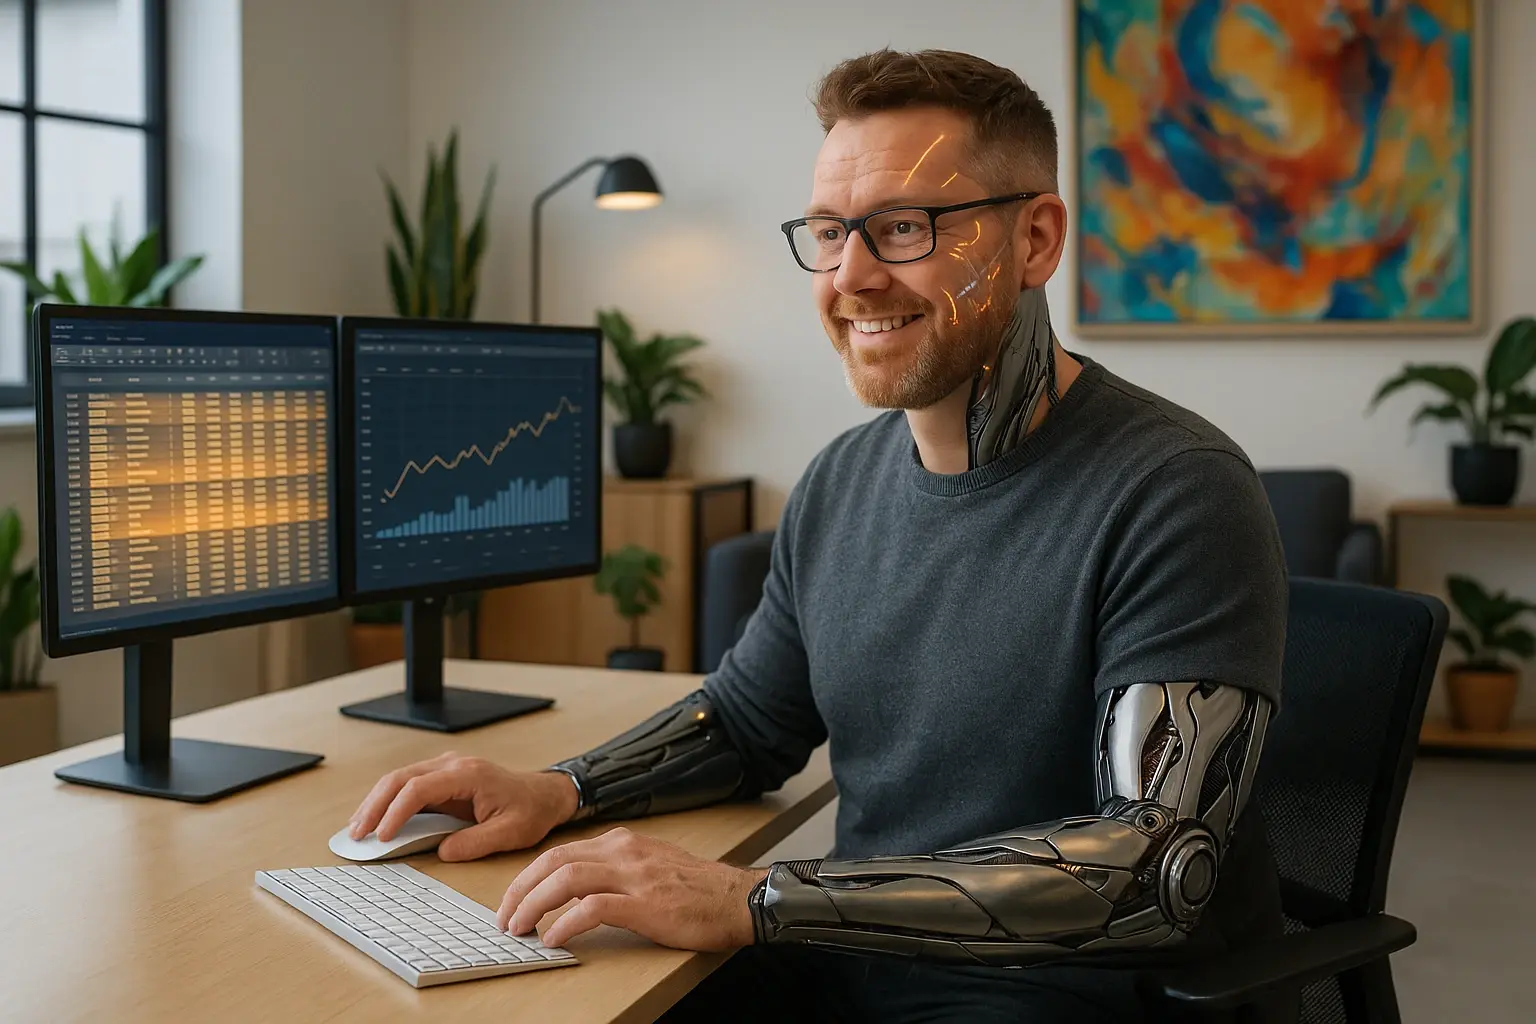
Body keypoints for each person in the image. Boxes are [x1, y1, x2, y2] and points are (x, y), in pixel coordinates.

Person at [347, 49, 1290, 1023]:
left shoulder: (1176, 491)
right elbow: (752, 725)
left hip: (1069, 995)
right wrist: (559, 790)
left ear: (1036, 240)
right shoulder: (840, 481)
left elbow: (1149, 867)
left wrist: (753, 897)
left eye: (902, 229)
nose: (852, 275)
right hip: (851, 957)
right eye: (831, 232)